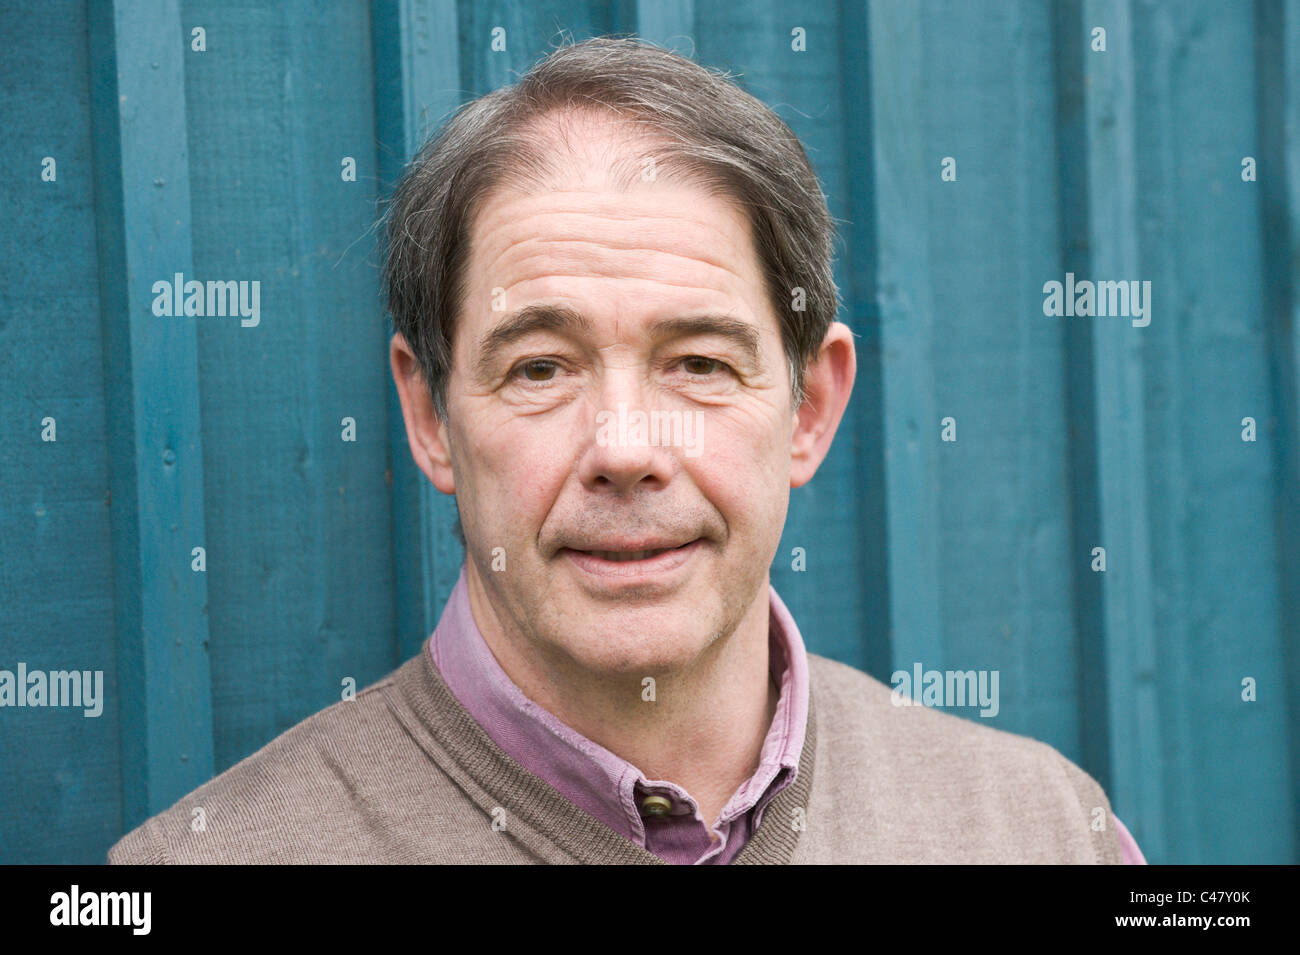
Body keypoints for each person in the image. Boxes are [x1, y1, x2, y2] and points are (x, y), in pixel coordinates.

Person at [110, 36, 1143, 865]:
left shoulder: (1044, 832)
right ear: (429, 416)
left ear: (807, 407)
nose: (626, 449)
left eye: (697, 360)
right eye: (540, 368)